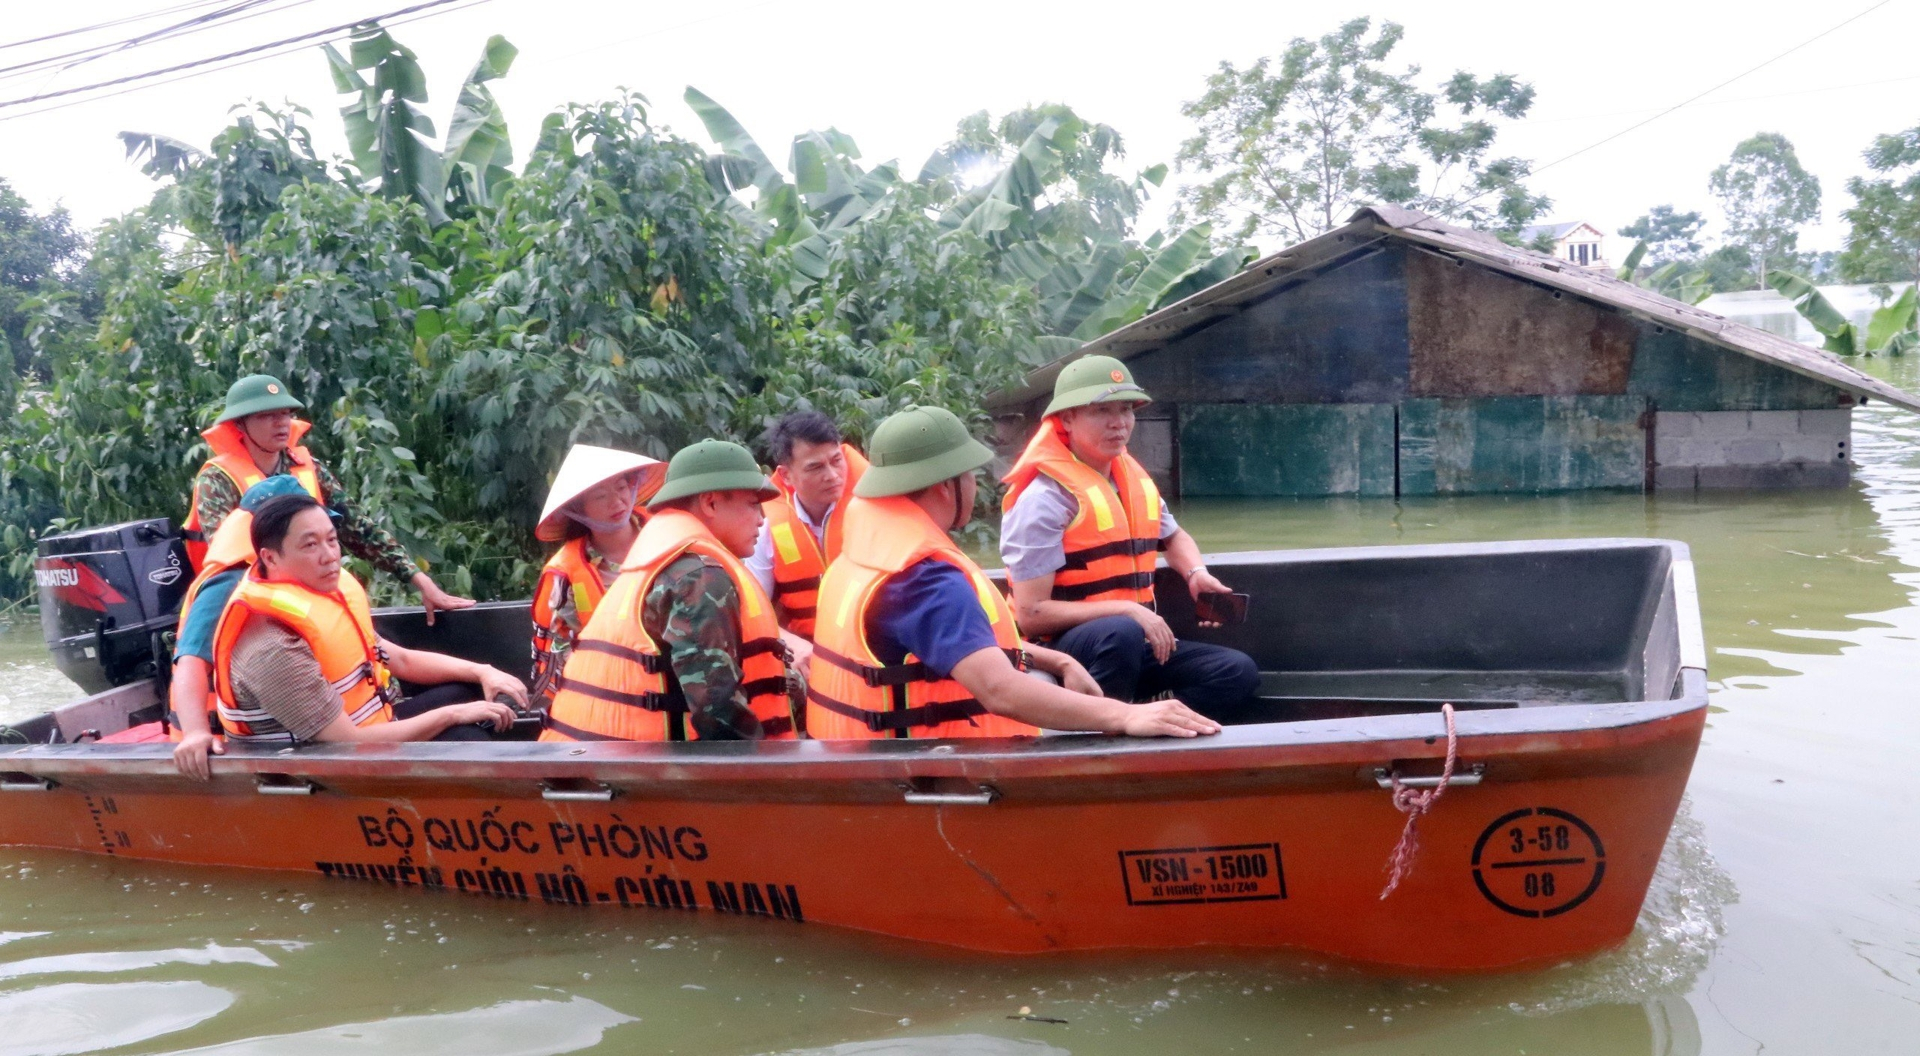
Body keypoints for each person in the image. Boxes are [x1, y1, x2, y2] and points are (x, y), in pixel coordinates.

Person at [806, 404, 1221, 741]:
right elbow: (999, 689)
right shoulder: (923, 579)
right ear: (944, 486)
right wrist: (1125, 715)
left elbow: (965, 648)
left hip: (864, 768)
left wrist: (1059, 660)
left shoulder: (865, 553)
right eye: (969, 475)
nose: (974, 485)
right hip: (939, 784)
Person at [1000, 356, 1259, 721]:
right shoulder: (1044, 501)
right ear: (1067, 419)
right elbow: (1031, 616)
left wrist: (1196, 574)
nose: (1118, 422)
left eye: (1126, 409)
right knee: (1118, 631)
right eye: (1101, 410)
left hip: (1129, 641)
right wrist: (1128, 609)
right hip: (1065, 649)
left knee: (1236, 671)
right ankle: (1100, 730)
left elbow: (1174, 536)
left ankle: (1152, 716)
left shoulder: (1131, 481)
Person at [210, 494, 526, 745]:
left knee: (467, 691)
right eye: (310, 544)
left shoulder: (319, 592)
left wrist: (482, 672)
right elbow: (347, 744)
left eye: (331, 540)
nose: (330, 555)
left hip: (373, 731)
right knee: (466, 739)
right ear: (270, 557)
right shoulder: (272, 645)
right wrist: (454, 716)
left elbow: (398, 658)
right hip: (326, 772)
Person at [540, 439, 800, 743]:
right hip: (623, 774)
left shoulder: (659, 557)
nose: (762, 519)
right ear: (711, 503)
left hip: (588, 761)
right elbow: (717, 714)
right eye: (753, 504)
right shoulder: (698, 576)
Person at [183, 373, 473, 623]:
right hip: (249, 607)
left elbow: (359, 529)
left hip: (313, 596)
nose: (280, 423)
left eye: (285, 413)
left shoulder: (308, 468)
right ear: (239, 426)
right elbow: (232, 563)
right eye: (265, 415)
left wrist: (419, 580)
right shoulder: (217, 479)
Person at [167, 475, 318, 778]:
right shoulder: (230, 582)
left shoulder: (290, 574)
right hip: (224, 745)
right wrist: (196, 733)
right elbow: (190, 662)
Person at [529, 445, 667, 707]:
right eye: (601, 496)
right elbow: (559, 657)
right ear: (578, 509)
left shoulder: (670, 536)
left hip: (676, 683)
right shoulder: (565, 574)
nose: (617, 502)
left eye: (622, 488)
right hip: (609, 698)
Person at [745, 411, 869, 639]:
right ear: (786, 476)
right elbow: (752, 613)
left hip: (876, 650)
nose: (832, 475)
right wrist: (794, 645)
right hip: (808, 655)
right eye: (815, 467)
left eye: (836, 461)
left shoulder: (875, 509)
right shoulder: (765, 526)